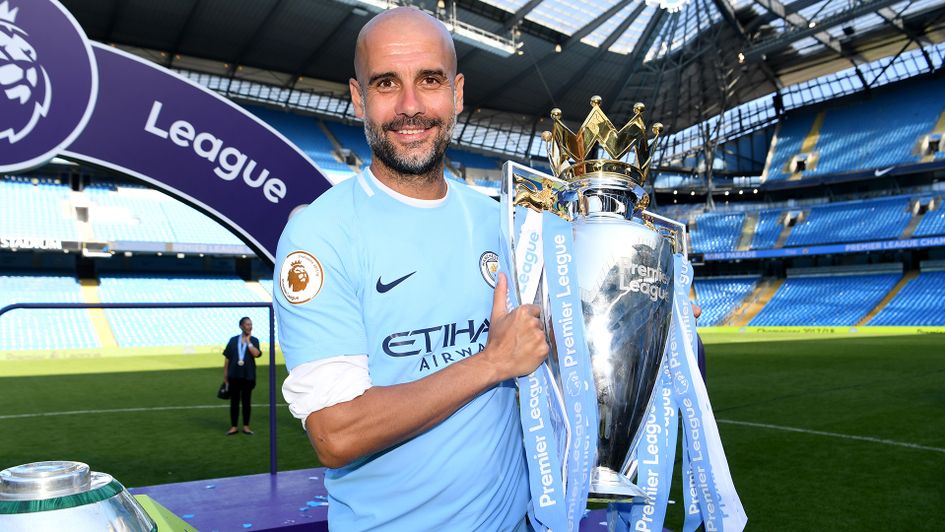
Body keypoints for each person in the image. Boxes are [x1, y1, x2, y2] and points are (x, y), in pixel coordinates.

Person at [273, 6, 548, 531]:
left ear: (458, 92)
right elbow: (337, 434)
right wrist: (490, 363)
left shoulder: (503, 223)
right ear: (358, 98)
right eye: (385, 83)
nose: (410, 106)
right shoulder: (321, 235)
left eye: (430, 80)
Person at [223, 316, 262, 435]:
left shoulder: (254, 340)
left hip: (248, 376)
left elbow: (256, 354)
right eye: (247, 324)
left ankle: (246, 426)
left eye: (251, 324)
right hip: (234, 376)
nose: (250, 326)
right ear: (241, 326)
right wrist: (225, 376)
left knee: (246, 401)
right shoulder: (233, 340)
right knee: (234, 402)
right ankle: (234, 426)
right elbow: (227, 359)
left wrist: (248, 343)